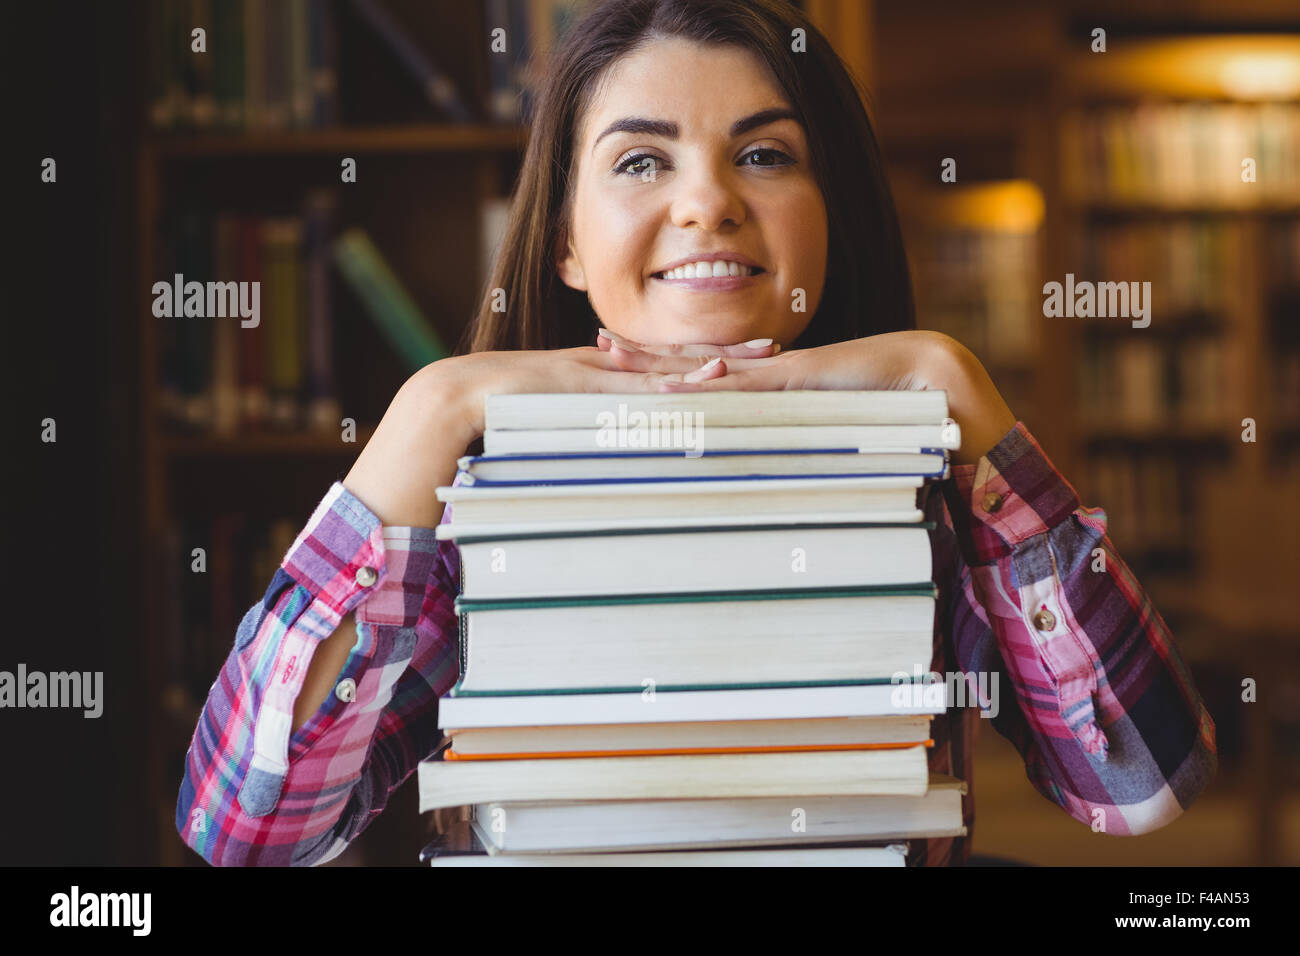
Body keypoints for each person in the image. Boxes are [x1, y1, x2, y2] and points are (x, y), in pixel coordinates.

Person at [175, 0, 1217, 866]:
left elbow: (1140, 782)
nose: (708, 201)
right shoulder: (472, 514)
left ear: (829, 214)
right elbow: (247, 829)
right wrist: (431, 409)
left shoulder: (920, 484)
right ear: (566, 243)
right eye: (639, 162)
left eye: (762, 153)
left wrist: (953, 383)